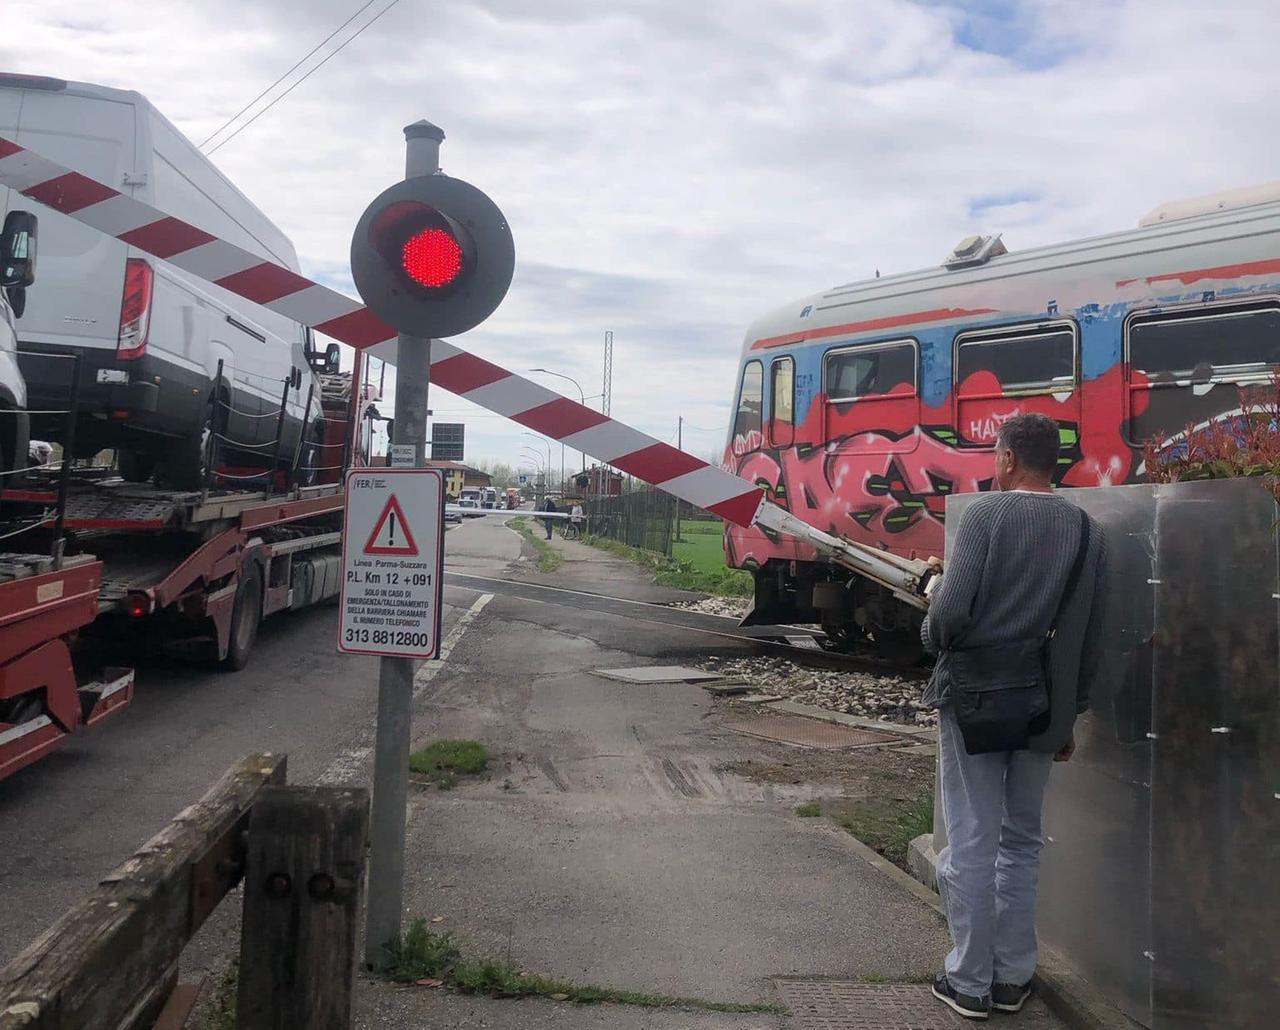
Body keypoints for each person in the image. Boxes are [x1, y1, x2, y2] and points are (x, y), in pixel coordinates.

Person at [921, 412, 1106, 1021]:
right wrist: (1069, 716)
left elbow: (948, 621)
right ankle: (1012, 978)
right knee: (1022, 840)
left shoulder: (984, 517)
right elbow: (1089, 635)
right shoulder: (1086, 530)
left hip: (974, 701)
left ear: (1005, 459)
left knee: (972, 837)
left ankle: (969, 981)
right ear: (1053, 462)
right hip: (1043, 707)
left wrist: (931, 606)